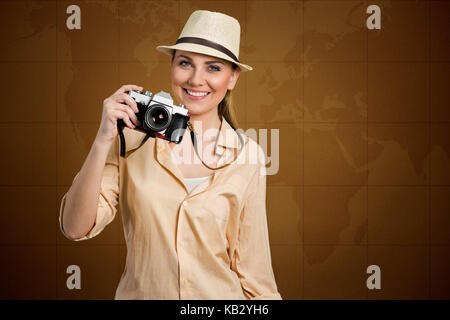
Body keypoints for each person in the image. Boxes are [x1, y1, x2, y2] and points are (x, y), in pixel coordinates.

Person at [59, 10, 282, 300]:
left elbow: (255, 274)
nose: (195, 79)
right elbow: (75, 228)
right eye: (185, 63)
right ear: (172, 66)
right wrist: (103, 139)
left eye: (213, 68)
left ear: (232, 77)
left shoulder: (248, 156)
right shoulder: (130, 137)